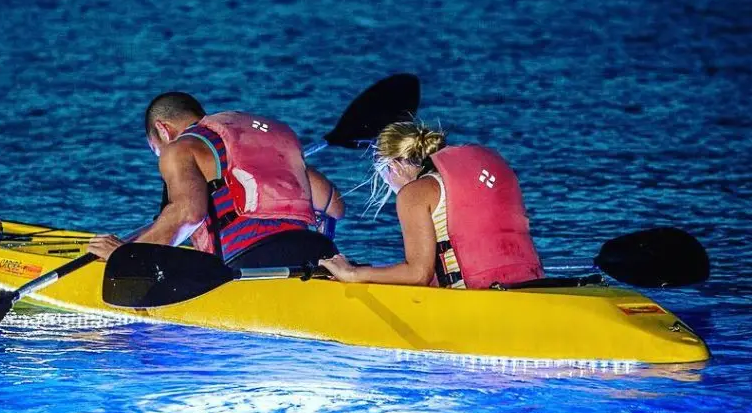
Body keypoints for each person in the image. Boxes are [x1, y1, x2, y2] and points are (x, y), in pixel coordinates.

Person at [88, 92, 344, 268]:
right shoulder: (253, 143)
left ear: (163, 130)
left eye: (157, 149)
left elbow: (188, 215)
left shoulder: (179, 147)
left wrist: (125, 256)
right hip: (314, 253)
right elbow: (335, 207)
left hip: (251, 263)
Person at [318, 121, 543, 288]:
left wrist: (353, 274)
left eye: (382, 173)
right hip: (529, 285)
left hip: (475, 299)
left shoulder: (414, 193)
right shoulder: (465, 180)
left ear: (394, 166)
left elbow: (418, 274)